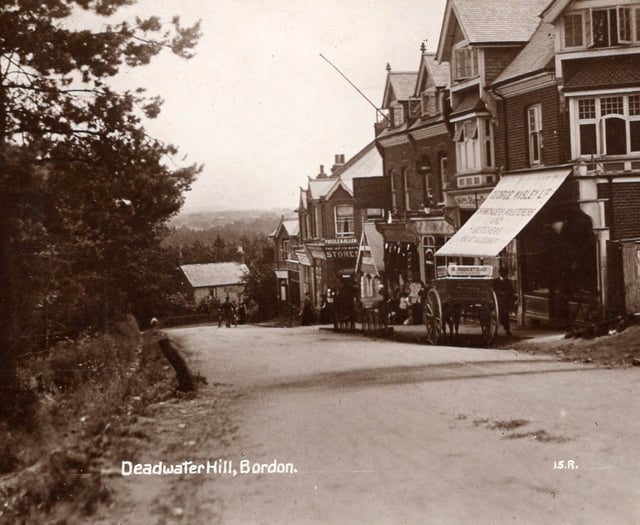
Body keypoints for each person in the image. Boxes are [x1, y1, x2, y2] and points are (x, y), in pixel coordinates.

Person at [493, 267, 515, 336]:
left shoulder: (509, 282)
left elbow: (511, 292)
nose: (505, 275)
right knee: (501, 315)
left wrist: (511, 301)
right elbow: (494, 291)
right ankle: (503, 325)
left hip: (506, 301)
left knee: (505, 315)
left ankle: (507, 329)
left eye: (505, 274)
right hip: (497, 301)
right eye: (504, 274)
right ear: (500, 274)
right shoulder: (495, 282)